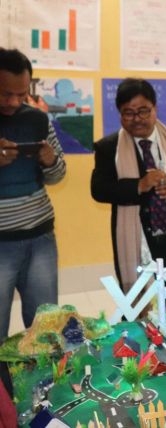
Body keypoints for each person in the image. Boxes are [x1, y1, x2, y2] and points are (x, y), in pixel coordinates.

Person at [91, 78, 166, 291]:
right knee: (143, 301)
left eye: (143, 111)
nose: (137, 119)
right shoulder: (108, 148)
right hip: (136, 238)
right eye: (128, 113)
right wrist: (138, 186)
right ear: (120, 114)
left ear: (155, 109)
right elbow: (99, 190)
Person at [0, 48, 66, 341]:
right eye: (5, 94)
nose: (14, 102)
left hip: (40, 238)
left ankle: (44, 373)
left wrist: (50, 161)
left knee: (46, 332)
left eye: (22, 94)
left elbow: (58, 175)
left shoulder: (38, 120)